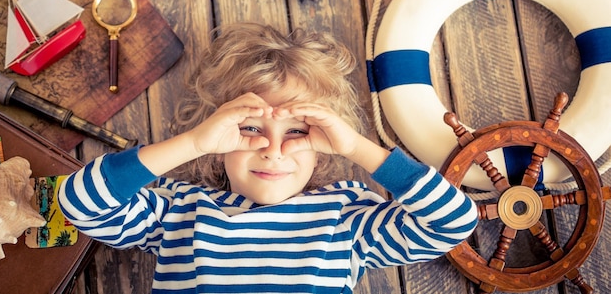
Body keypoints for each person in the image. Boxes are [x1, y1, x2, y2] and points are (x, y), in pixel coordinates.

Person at [58, 23, 478, 294]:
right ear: (218, 136)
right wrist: (194, 143)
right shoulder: (178, 211)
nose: (273, 151)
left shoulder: (346, 217)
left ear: (324, 141)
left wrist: (356, 147)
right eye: (250, 128)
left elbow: (454, 223)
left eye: (297, 131)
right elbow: (80, 202)